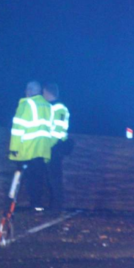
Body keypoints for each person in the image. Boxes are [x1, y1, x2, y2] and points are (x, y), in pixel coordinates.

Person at [9, 81, 53, 211]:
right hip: (42, 150)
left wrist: (14, 148)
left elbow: (18, 128)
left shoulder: (26, 104)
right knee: (38, 179)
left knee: (19, 177)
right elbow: (50, 129)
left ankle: (11, 204)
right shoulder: (49, 106)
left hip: (27, 149)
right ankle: (36, 205)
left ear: (29, 91)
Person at [43, 83, 72, 212]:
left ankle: (56, 207)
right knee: (52, 179)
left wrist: (47, 147)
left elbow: (56, 132)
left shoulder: (58, 108)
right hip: (54, 147)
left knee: (54, 179)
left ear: (46, 92)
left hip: (54, 148)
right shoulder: (56, 107)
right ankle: (54, 206)